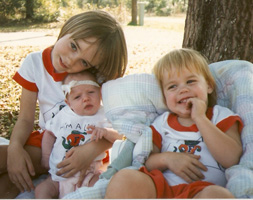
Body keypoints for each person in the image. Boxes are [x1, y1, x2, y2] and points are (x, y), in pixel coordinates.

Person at [0, 10, 127, 198]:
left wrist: (90, 151)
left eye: (83, 62)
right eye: (73, 46)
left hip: (87, 143)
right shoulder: (34, 63)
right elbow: (26, 119)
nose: (70, 60)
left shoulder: (94, 78)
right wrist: (15, 148)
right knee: (7, 173)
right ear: (68, 28)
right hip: (46, 142)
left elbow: (118, 129)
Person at [105, 48, 243, 198]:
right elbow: (147, 161)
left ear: (209, 85)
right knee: (125, 178)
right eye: (172, 86)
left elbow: (232, 159)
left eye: (191, 81)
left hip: (201, 191)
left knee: (218, 196)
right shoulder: (161, 123)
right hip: (161, 188)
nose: (183, 89)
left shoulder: (221, 116)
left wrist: (200, 118)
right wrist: (168, 159)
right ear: (164, 98)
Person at [34, 71, 122, 198]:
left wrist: (106, 132)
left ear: (100, 93)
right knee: (41, 190)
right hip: (58, 177)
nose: (86, 98)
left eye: (91, 92)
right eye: (77, 97)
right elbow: (49, 133)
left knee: (103, 186)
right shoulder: (63, 115)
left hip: (88, 175)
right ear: (69, 103)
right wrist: (45, 156)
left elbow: (119, 137)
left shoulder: (104, 115)